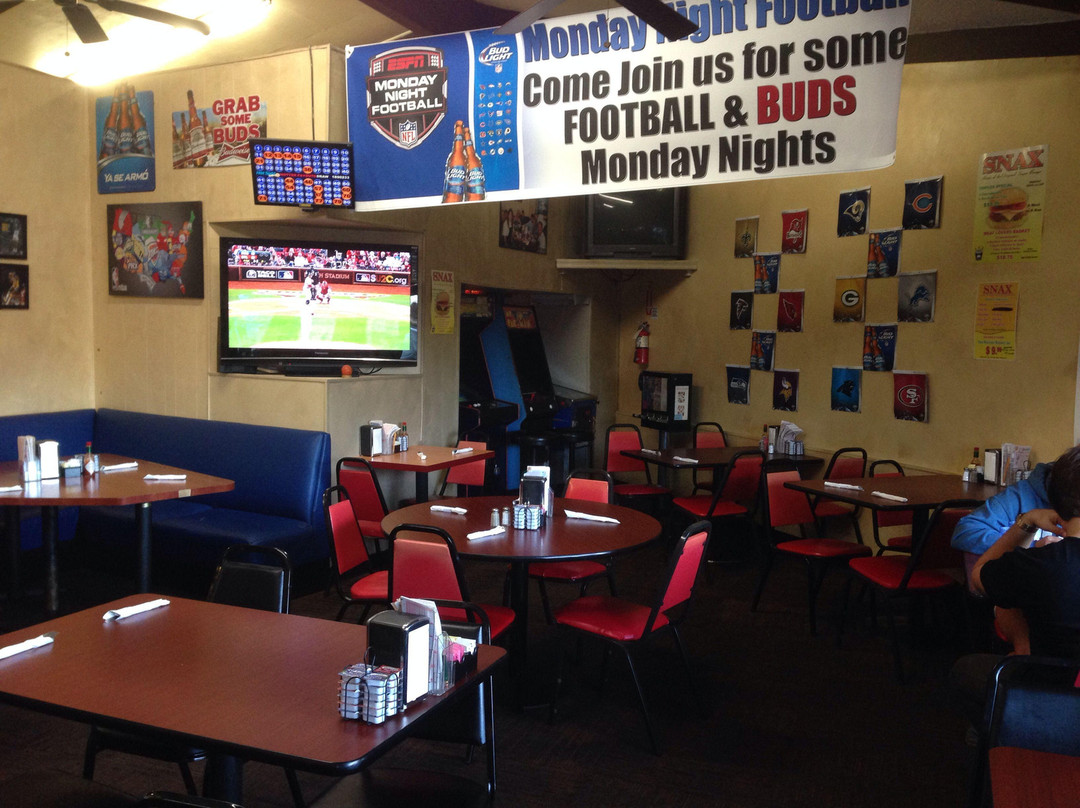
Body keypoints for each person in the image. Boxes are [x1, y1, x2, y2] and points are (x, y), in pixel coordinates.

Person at [949, 447, 1080, 732]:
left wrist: (1027, 523)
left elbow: (979, 577)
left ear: (1057, 502)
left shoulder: (1038, 564)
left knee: (966, 670)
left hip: (1055, 699)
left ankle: (1003, 741)